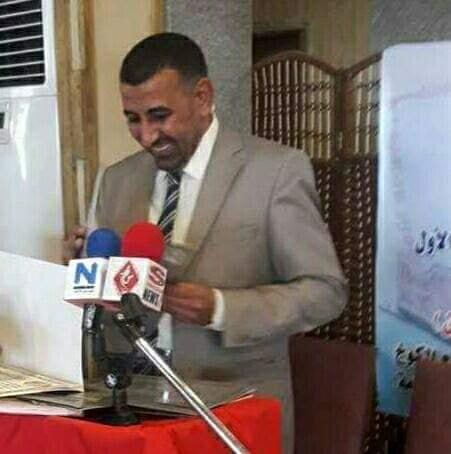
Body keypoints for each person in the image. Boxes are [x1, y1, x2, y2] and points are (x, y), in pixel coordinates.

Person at [63, 32, 347, 453]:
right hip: (129, 413)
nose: (146, 135)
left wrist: (221, 308)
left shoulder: (276, 171)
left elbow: (326, 292)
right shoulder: (116, 179)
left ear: (202, 97)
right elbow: (104, 292)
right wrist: (78, 270)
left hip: (233, 415)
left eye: (159, 116)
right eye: (133, 119)